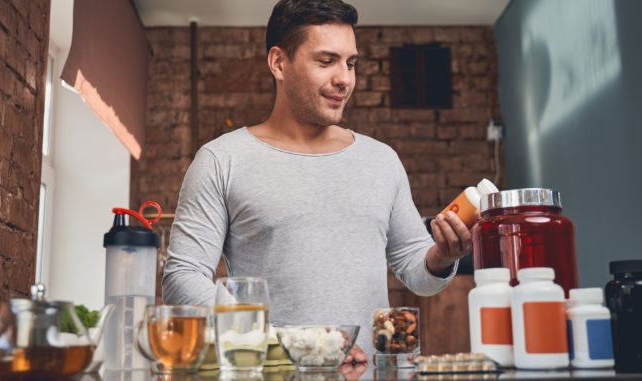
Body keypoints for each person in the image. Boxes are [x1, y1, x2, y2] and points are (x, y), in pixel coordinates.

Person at [163, 0, 475, 362]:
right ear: (279, 63)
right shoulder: (222, 160)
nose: (344, 78)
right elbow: (182, 278)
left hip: (366, 372)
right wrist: (285, 343)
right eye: (326, 61)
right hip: (270, 371)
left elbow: (412, 267)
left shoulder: (381, 160)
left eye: (350, 63)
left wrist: (440, 256)